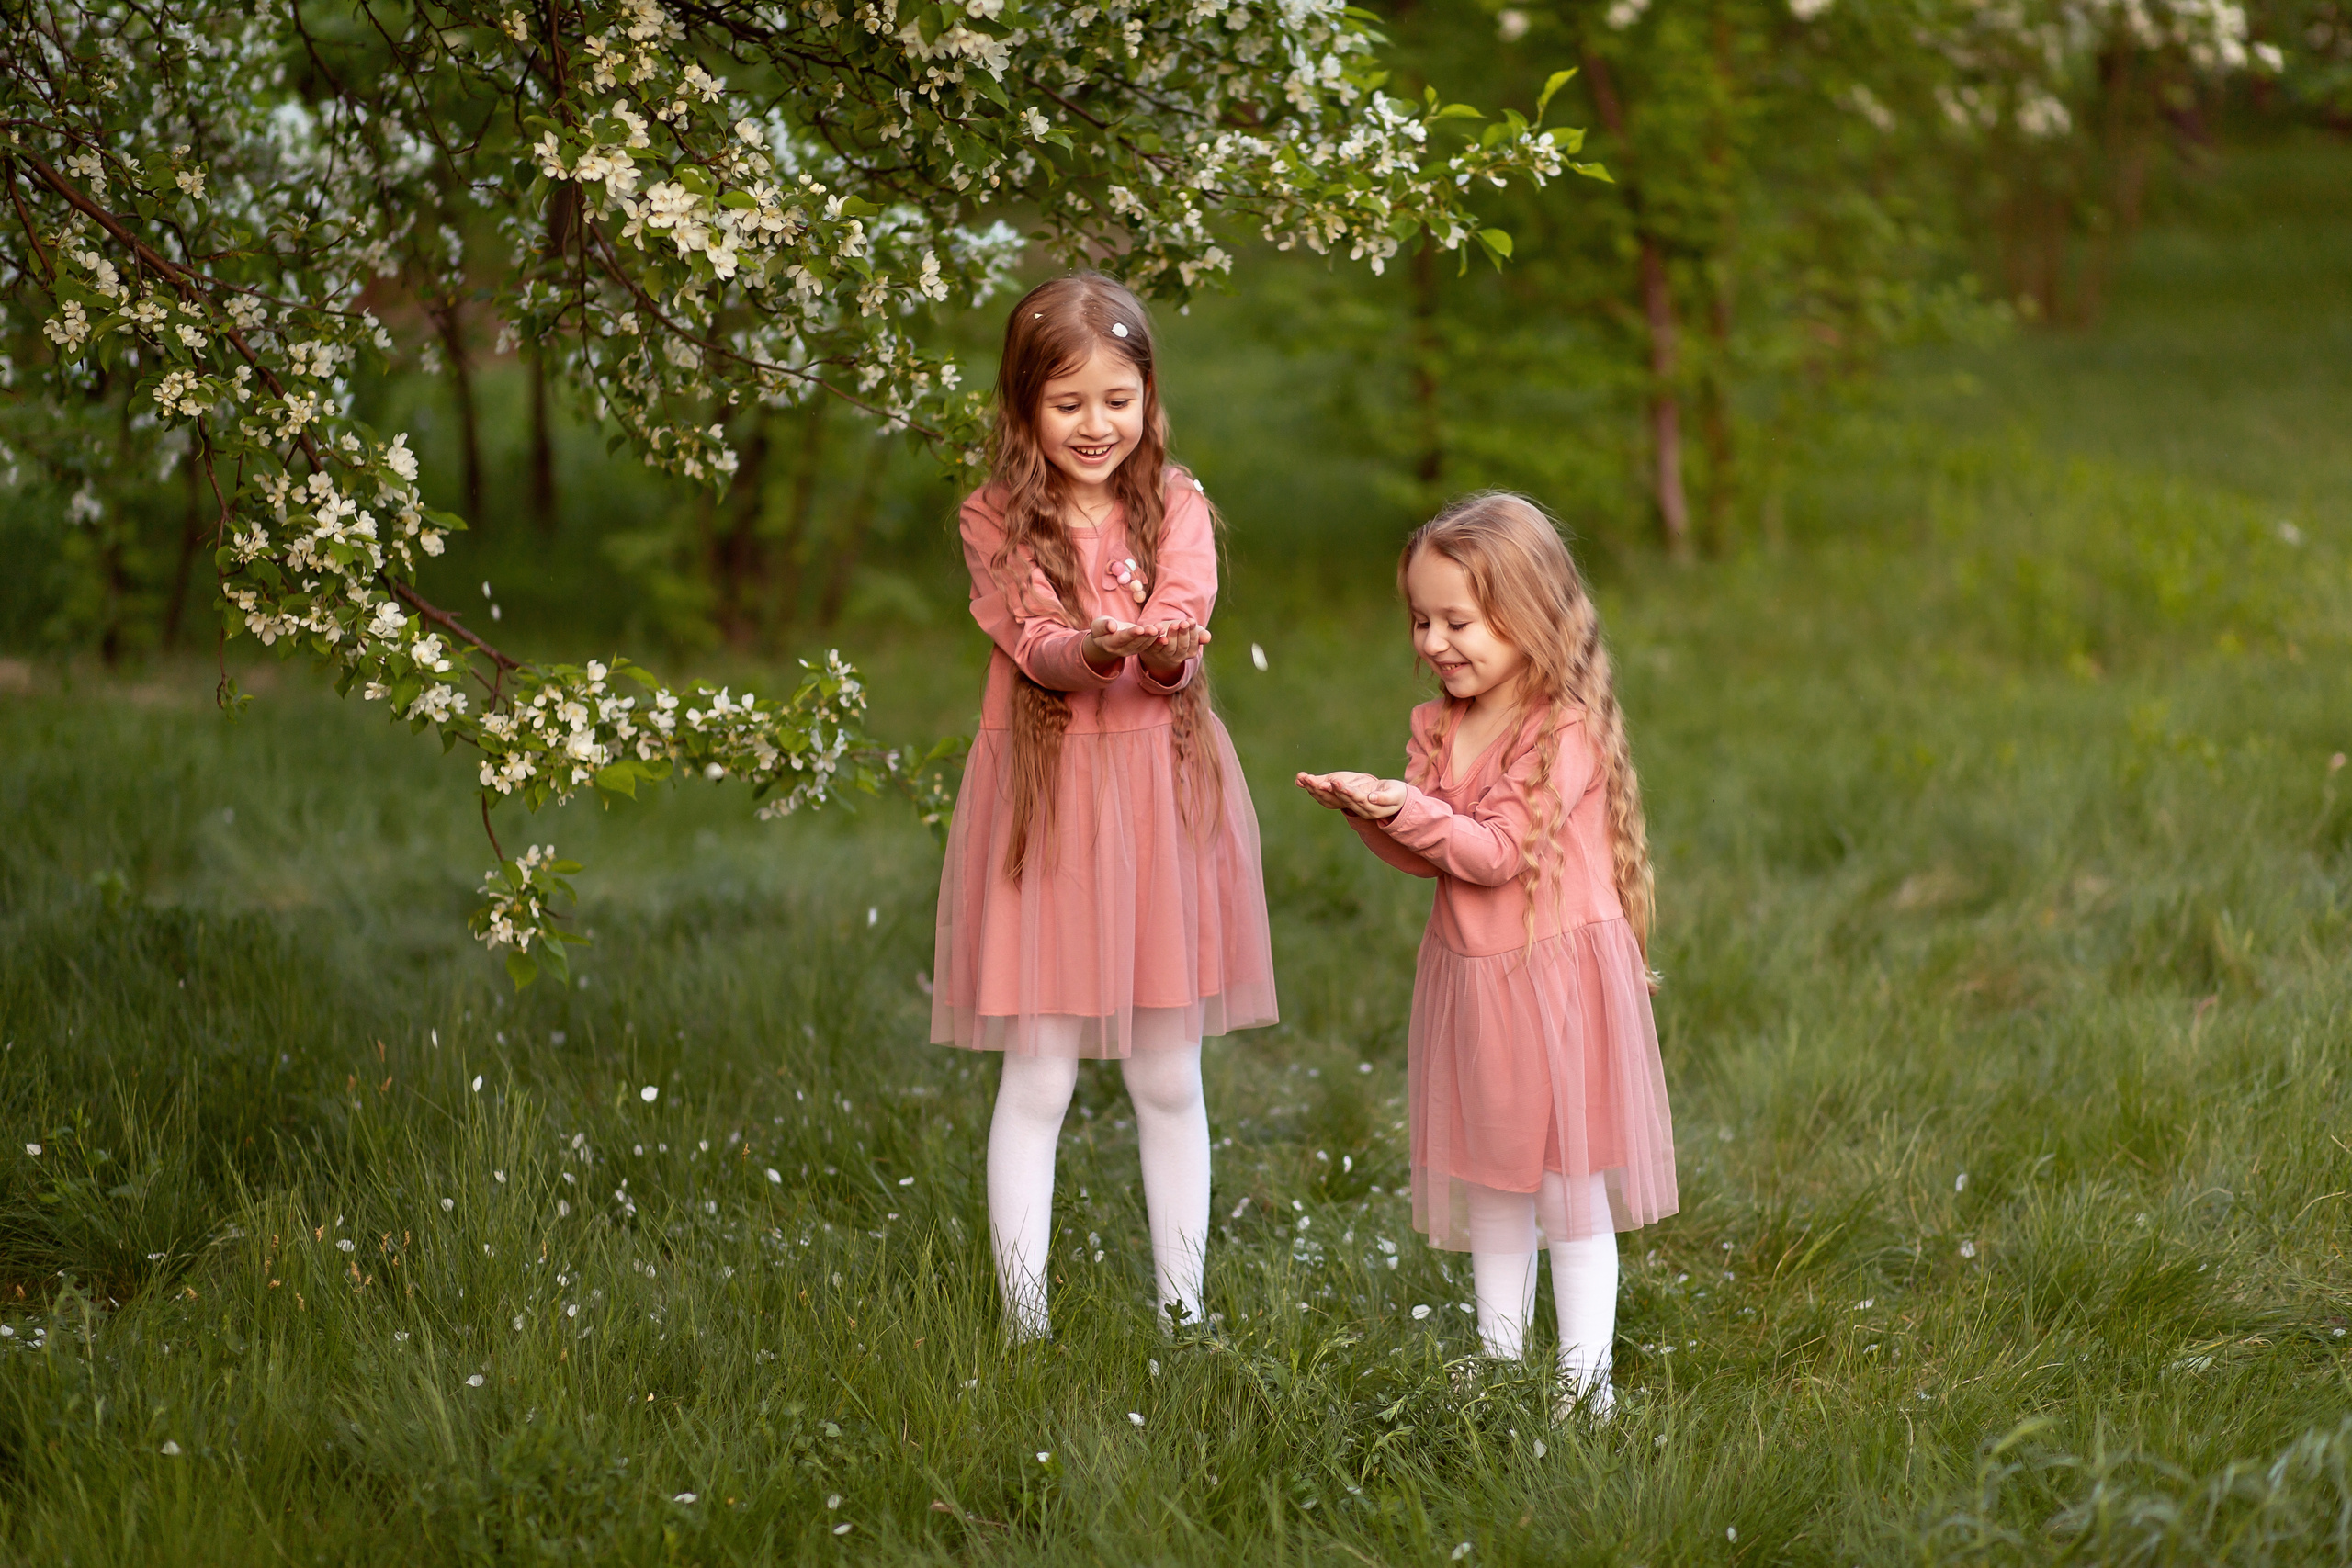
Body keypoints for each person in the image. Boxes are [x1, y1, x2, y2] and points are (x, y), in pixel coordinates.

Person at [933, 273, 1279, 1342]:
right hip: (1052, 806)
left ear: (1148, 395)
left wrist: (1164, 655)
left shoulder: (1175, 501)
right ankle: (1023, 1327)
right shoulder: (993, 514)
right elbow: (1032, 642)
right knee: (1039, 1074)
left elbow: (1182, 617)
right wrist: (1094, 649)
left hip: (1157, 798)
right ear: (1025, 403)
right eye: (1069, 401)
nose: (1097, 425)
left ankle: (1183, 1314)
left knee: (1167, 1073)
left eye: (1117, 398)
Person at [1295, 491, 1677, 1417]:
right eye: (1420, 620)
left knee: (1565, 1188)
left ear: (1527, 618)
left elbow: (1493, 852)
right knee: (1493, 1175)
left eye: (1457, 620)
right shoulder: (1439, 725)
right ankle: (1497, 1360)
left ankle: (1587, 1389)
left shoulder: (1561, 734)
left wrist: (1404, 806)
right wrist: (1371, 811)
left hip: (1555, 983)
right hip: (1476, 980)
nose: (1433, 641)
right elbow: (1427, 855)